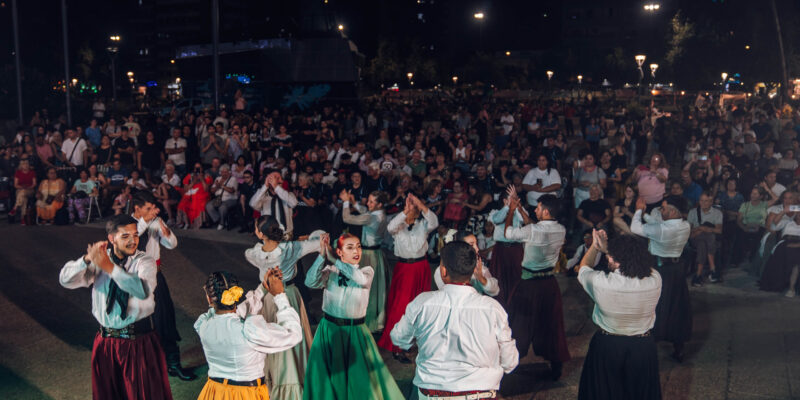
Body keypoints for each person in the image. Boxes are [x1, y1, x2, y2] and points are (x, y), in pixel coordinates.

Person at [59, 215, 172, 399]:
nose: (133, 241)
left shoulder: (144, 261)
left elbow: (142, 290)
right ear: (112, 239)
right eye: (125, 236)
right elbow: (65, 280)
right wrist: (87, 259)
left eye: (135, 235)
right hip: (106, 342)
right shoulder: (99, 261)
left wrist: (110, 268)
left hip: (138, 341)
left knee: (141, 394)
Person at [390, 241, 519, 400]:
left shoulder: (422, 303)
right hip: (481, 393)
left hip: (430, 393)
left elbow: (398, 338)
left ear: (443, 271)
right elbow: (510, 362)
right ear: (473, 270)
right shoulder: (493, 309)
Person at [303, 233, 405, 400]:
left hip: (355, 332)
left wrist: (334, 260)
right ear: (340, 252)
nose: (356, 250)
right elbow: (310, 282)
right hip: (329, 330)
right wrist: (322, 257)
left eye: (358, 246)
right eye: (350, 248)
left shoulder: (366, 272)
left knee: (358, 379)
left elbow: (358, 279)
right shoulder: (330, 271)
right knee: (327, 378)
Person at [575, 230, 663, 400]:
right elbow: (637, 261)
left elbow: (584, 267)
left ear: (615, 260)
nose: (608, 258)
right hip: (642, 346)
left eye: (610, 257)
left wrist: (596, 246)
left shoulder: (601, 282)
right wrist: (612, 250)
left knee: (604, 392)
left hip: (608, 345)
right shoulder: (655, 279)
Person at [244, 216, 322, 400]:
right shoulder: (290, 249)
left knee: (270, 335)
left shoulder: (254, 253)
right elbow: (319, 242)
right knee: (292, 330)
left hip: (267, 297)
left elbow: (252, 253)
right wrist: (301, 240)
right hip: (288, 294)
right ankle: (298, 376)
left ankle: (274, 379)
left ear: (260, 234)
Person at [195, 269, 303, 400]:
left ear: (209, 299)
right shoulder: (249, 332)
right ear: (236, 295)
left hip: (214, 392)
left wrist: (263, 288)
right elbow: (293, 333)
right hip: (245, 394)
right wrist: (280, 295)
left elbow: (235, 313)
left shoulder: (204, 325)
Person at [503, 193, 570, 380]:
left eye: (538, 207)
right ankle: (556, 364)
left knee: (519, 323)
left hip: (529, 284)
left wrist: (510, 211)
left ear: (546, 211)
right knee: (551, 324)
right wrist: (520, 209)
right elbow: (533, 226)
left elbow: (508, 233)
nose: (535, 210)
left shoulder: (533, 230)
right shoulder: (561, 229)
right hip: (549, 284)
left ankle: (511, 362)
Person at [131, 191, 195, 381]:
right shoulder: (126, 223)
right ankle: (142, 367)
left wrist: (166, 234)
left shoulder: (156, 221)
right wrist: (145, 222)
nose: (153, 211)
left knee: (165, 319)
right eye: (148, 208)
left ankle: (173, 364)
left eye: (153, 207)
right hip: (134, 279)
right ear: (137, 208)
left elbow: (172, 244)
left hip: (156, 276)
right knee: (138, 323)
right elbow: (131, 239)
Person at [377, 193, 439, 361]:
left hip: (421, 268)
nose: (412, 210)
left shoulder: (423, 225)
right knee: (400, 307)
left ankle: (414, 343)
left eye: (414, 208)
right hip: (404, 269)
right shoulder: (398, 227)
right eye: (409, 207)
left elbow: (434, 222)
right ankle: (397, 346)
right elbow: (390, 227)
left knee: (420, 306)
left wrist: (420, 204)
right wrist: (405, 211)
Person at [630, 195, 692, 362]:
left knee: (657, 306)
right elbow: (658, 225)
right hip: (677, 270)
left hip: (661, 271)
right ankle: (679, 346)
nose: (660, 210)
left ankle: (652, 343)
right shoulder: (685, 225)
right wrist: (645, 214)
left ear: (672, 212)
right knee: (677, 307)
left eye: (663, 208)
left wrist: (637, 211)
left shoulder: (664, 229)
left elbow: (635, 228)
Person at [340, 190, 390, 332]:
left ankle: (366, 320)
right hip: (377, 253)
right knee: (376, 288)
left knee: (366, 288)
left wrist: (345, 202)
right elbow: (366, 212)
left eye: (371, 202)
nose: (368, 203)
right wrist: (354, 202)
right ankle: (377, 321)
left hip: (368, 255)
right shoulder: (380, 214)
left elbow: (347, 218)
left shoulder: (371, 217)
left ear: (379, 204)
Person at [486, 191, 526, 308]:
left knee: (516, 275)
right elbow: (497, 220)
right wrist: (506, 208)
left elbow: (523, 220)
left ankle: (516, 303)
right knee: (499, 276)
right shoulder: (495, 212)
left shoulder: (520, 212)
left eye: (515, 198)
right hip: (501, 249)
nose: (512, 201)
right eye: (509, 199)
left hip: (515, 249)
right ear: (504, 200)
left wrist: (516, 208)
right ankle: (500, 304)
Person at [433, 229, 499, 296]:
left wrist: (481, 278)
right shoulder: (443, 270)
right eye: (471, 245)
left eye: (476, 244)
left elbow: (495, 291)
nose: (477, 249)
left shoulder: (480, 269)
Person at [688, 192, 724, 286]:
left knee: (703, 244)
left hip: (705, 241)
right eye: (701, 201)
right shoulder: (693, 212)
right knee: (710, 236)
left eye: (706, 201)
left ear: (711, 202)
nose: (703, 203)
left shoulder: (717, 213)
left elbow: (719, 230)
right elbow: (688, 232)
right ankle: (713, 269)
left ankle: (698, 274)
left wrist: (706, 229)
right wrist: (700, 229)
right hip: (695, 238)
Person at [250, 171, 299, 237]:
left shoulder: (288, 195)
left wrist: (276, 187)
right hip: (268, 234)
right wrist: (265, 186)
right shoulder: (263, 196)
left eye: (280, 178)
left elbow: (294, 203)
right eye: (274, 178)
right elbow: (253, 204)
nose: (279, 181)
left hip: (286, 233)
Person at [206, 164, 239, 230]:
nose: (224, 174)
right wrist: (216, 187)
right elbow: (212, 191)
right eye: (222, 172)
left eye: (225, 172)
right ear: (220, 172)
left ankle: (222, 223)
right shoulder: (218, 178)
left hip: (230, 199)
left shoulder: (233, 179)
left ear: (229, 172)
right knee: (208, 206)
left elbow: (232, 190)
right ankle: (219, 220)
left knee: (222, 207)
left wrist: (222, 185)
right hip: (219, 198)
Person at [10, 158, 37, 224]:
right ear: (21, 166)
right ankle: (23, 218)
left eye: (26, 164)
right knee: (24, 198)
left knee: (23, 193)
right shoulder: (18, 173)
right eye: (23, 164)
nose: (25, 165)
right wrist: (22, 187)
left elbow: (34, 184)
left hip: (30, 190)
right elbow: (15, 185)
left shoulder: (32, 172)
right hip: (20, 189)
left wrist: (28, 187)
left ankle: (15, 208)